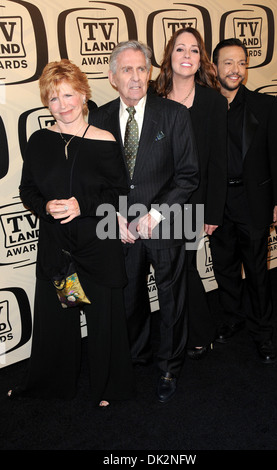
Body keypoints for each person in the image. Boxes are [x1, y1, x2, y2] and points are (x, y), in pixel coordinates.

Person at [8, 59, 134, 407]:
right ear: (46, 103)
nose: (62, 105)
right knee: (58, 320)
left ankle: (110, 387)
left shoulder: (105, 140)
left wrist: (84, 205)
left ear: (82, 94)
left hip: (97, 246)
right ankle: (51, 383)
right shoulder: (38, 141)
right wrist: (44, 207)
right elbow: (27, 190)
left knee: (103, 322)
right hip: (58, 249)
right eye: (53, 99)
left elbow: (119, 193)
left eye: (68, 95)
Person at [89, 40, 199, 403]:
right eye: (126, 70)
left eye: (141, 69)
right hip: (118, 224)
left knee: (171, 299)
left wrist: (155, 214)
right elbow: (96, 180)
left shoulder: (174, 115)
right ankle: (136, 355)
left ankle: (169, 365)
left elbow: (188, 176)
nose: (135, 77)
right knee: (128, 298)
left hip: (166, 222)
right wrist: (114, 214)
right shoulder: (99, 118)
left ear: (149, 72)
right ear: (112, 77)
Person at [210, 38, 277, 363]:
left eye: (241, 62)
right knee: (225, 269)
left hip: (253, 200)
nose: (235, 69)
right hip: (217, 202)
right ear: (214, 67)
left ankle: (263, 332)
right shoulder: (203, 108)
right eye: (228, 62)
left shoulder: (265, 106)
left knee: (257, 272)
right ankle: (233, 319)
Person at [154, 27, 227, 360]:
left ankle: (199, 332)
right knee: (170, 268)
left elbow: (218, 160)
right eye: (180, 49)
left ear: (202, 59)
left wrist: (212, 212)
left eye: (194, 50)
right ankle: (186, 330)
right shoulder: (154, 97)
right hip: (155, 199)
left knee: (182, 264)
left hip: (192, 199)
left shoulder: (212, 101)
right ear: (169, 55)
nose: (187, 55)